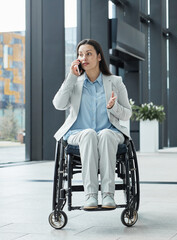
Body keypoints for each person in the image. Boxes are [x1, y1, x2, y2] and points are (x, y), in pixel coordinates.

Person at [53, 39, 132, 209]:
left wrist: (114, 107)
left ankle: (108, 195)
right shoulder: (74, 82)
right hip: (78, 133)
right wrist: (71, 77)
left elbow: (127, 113)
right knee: (89, 133)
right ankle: (90, 196)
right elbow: (58, 104)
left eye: (88, 53)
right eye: (80, 55)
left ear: (99, 57)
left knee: (104, 134)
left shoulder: (115, 82)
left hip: (110, 132)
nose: (84, 58)